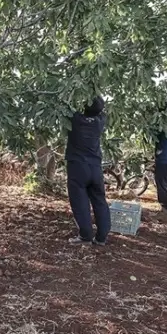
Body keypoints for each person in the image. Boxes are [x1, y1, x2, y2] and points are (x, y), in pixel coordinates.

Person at [65, 96, 111, 246]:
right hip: (95, 168)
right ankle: (101, 237)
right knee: (100, 201)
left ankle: (85, 236)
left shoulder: (75, 119)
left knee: (80, 202)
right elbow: (100, 110)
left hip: (78, 167)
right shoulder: (100, 122)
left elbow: (66, 103)